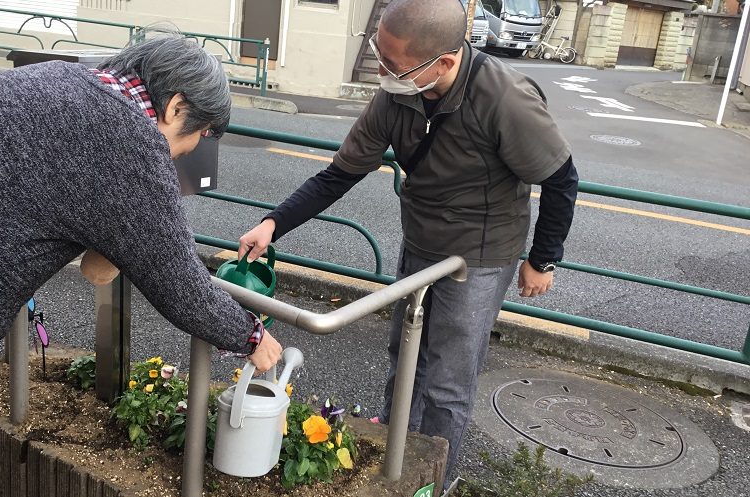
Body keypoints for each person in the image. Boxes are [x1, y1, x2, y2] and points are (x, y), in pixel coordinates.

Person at [0, 31, 282, 496]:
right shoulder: (133, 148)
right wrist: (251, 335)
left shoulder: (58, 76)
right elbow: (180, 286)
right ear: (175, 107)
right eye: (202, 133)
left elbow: (92, 253)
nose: (193, 149)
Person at [238, 0, 577, 488]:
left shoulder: (504, 98)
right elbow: (341, 174)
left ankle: (433, 482)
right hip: (421, 239)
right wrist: (274, 223)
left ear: (445, 62)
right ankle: (396, 452)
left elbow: (561, 178)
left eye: (394, 64)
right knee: (406, 354)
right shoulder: (397, 92)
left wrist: (543, 259)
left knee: (447, 382)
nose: (383, 72)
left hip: (478, 255)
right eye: (380, 55)